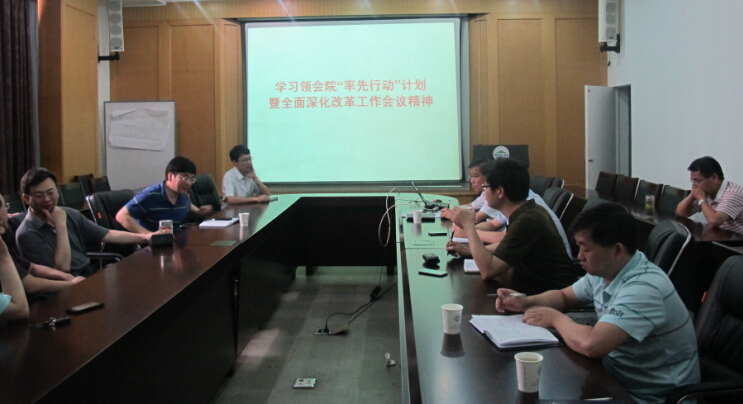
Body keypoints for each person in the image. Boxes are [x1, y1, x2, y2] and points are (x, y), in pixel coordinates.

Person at [496, 203, 700, 404]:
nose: (579, 256)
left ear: (617, 250)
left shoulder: (644, 288)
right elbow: (564, 297)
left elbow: (592, 344)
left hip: (648, 396)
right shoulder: (606, 270)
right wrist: (526, 302)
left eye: (586, 249)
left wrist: (556, 319)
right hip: (613, 379)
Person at [447, 158, 575, 292]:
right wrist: (468, 251)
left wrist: (469, 227)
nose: (484, 193)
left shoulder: (527, 221)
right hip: (533, 289)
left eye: (486, 187)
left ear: (500, 192)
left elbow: (488, 270)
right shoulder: (527, 210)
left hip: (549, 298)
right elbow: (507, 245)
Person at [16, 168, 150, 277]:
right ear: (26, 199)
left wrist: (146, 237)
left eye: (51, 192)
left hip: (88, 275)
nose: (47, 199)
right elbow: (62, 269)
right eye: (39, 195)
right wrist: (61, 226)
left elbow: (107, 234)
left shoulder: (69, 213)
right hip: (63, 288)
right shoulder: (27, 233)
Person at [0, 194, 84, 303]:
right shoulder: (26, 233)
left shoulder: (4, 238)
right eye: (5, 206)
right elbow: (29, 284)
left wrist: (66, 277)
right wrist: (71, 284)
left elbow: (32, 267)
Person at [116, 156, 213, 233]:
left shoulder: (183, 196)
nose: (188, 183)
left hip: (174, 243)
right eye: (184, 177)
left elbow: (187, 205)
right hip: (151, 246)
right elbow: (121, 216)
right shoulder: (150, 195)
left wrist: (198, 211)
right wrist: (148, 235)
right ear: (170, 176)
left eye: (191, 179)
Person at [676, 156, 743, 233]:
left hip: (736, 238)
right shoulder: (707, 191)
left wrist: (702, 199)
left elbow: (714, 221)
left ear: (714, 178)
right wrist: (692, 195)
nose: (695, 185)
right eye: (693, 181)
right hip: (719, 235)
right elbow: (680, 213)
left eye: (697, 181)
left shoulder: (733, 194)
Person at [441, 159, 499, 223]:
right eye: (471, 176)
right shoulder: (484, 193)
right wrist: (452, 210)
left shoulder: (494, 195)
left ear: (488, 177)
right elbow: (470, 206)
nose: (471, 181)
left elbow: (476, 218)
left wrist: (451, 215)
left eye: (475, 176)